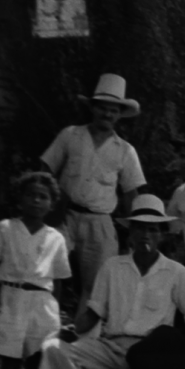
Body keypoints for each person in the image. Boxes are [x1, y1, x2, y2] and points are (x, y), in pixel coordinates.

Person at [30, 194, 185, 369]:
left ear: (162, 234)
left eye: (152, 229)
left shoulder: (177, 273)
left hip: (149, 356)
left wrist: (176, 349)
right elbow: (92, 314)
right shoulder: (112, 266)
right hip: (110, 348)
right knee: (54, 349)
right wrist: (71, 329)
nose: (146, 234)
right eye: (140, 228)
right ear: (130, 233)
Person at [38, 73, 146, 299]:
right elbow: (45, 169)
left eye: (113, 110)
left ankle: (88, 334)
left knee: (97, 287)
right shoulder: (71, 135)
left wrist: (133, 232)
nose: (107, 114)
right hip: (64, 216)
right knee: (45, 273)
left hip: (100, 222)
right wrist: (47, 208)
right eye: (103, 108)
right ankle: (44, 327)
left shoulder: (125, 150)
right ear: (93, 108)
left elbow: (131, 193)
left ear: (119, 115)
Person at [0, 171, 71, 369]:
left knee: (39, 365)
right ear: (20, 199)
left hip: (42, 303)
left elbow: (60, 279)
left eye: (42, 197)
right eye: (30, 195)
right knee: (8, 365)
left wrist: (57, 312)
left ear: (51, 203)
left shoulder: (56, 237)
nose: (36, 201)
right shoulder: (7, 228)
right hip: (10, 298)